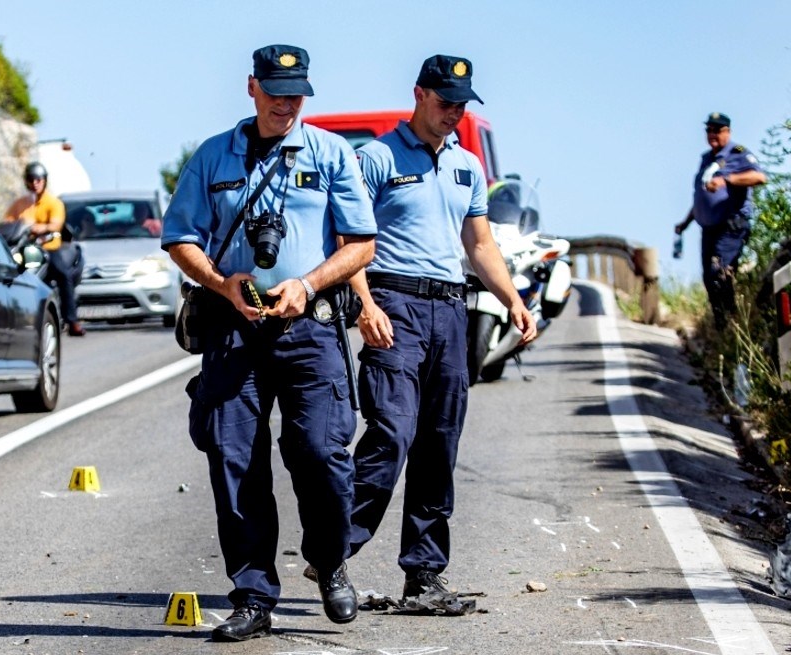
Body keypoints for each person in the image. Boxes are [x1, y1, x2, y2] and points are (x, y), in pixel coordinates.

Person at [160, 44, 376, 642]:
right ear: (252, 87)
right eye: (276, 92)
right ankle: (254, 596)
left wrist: (308, 284)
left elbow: (361, 244)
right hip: (235, 325)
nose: (286, 104)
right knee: (233, 459)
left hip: (308, 325)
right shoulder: (213, 155)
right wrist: (220, 283)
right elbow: (179, 237)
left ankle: (330, 561)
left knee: (322, 453)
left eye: (296, 94)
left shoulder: (330, 153)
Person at [346, 54, 536, 599]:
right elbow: (348, 238)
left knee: (438, 442)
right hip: (394, 303)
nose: (454, 112)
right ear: (420, 95)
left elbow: (480, 244)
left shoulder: (467, 166)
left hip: (450, 310)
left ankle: (424, 574)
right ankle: (335, 544)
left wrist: (513, 299)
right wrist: (364, 304)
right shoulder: (376, 158)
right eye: (446, 102)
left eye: (461, 105)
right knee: (392, 430)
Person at [675, 112, 767, 330]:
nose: (712, 134)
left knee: (720, 273)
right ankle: (722, 326)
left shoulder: (737, 153)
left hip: (731, 225)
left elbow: (759, 177)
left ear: (728, 131)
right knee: (709, 278)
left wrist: (727, 179)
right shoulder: (706, 159)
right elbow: (701, 198)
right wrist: (686, 223)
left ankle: (732, 321)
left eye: (717, 130)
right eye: (709, 130)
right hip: (709, 228)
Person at [4, 162, 86, 337]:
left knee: (63, 274)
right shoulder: (20, 204)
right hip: (24, 249)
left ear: (45, 181)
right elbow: (8, 223)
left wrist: (37, 228)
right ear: (26, 181)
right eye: (31, 179)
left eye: (39, 179)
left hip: (48, 248)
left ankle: (72, 320)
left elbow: (56, 224)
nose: (35, 183)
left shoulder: (54, 203)